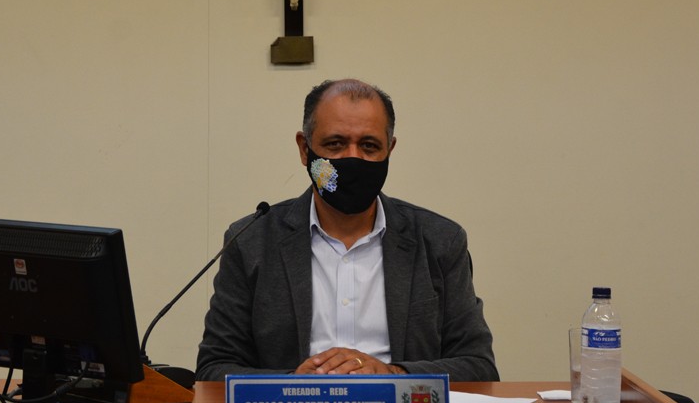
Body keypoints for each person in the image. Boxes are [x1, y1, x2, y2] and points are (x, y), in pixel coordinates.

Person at [196, 78, 499, 382]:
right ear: (305, 149)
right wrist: (290, 383)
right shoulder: (251, 241)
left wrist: (393, 373)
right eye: (335, 144)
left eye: (369, 146)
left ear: (389, 150)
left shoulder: (439, 241)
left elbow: (479, 368)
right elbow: (214, 369)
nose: (353, 158)